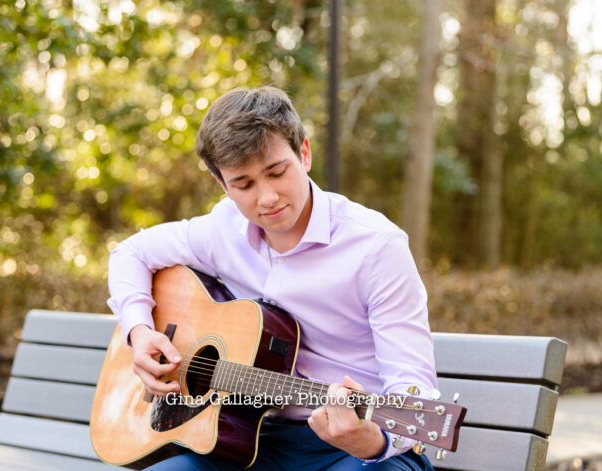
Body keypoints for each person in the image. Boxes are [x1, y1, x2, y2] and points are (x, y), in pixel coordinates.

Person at [107, 86, 438, 470]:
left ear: (305, 154)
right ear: (223, 186)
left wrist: (373, 442)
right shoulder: (221, 231)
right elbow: (129, 253)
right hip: (241, 441)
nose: (266, 198)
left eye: (277, 172)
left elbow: (416, 395)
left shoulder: (376, 247)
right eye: (244, 185)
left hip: (354, 451)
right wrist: (139, 331)